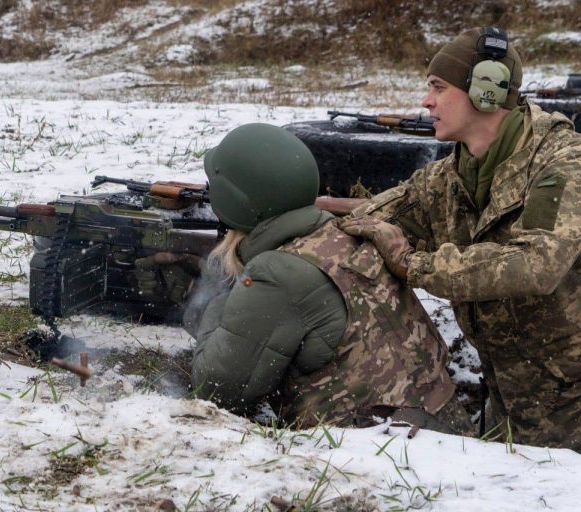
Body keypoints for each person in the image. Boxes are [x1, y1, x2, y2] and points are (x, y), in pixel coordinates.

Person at [136, 122, 473, 435]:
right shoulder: (344, 233)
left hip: (378, 452)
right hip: (442, 432)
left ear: (234, 204)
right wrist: (200, 288)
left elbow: (217, 390)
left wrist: (212, 297)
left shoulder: (278, 274)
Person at [339, 27, 581, 450]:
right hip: (510, 398)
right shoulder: (452, 176)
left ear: (487, 91)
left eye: (438, 87)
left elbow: (536, 263)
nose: (426, 101)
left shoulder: (563, 163)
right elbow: (377, 214)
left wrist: (414, 265)